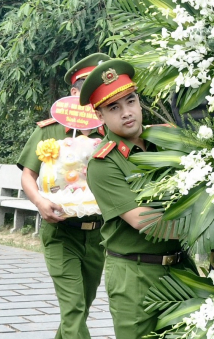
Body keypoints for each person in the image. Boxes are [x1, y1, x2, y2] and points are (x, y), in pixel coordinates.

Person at [80, 58, 191, 339]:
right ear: (100, 116)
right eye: (114, 108)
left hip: (181, 267)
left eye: (130, 101)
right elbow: (144, 221)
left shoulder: (167, 142)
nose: (126, 112)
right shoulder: (103, 164)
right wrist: (208, 228)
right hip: (135, 274)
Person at [16, 53, 109, 339]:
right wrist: (40, 201)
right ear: (73, 93)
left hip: (97, 235)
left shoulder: (108, 131)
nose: (93, 97)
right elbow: (27, 175)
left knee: (82, 306)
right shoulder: (50, 129)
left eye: (99, 92)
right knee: (73, 307)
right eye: (87, 89)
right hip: (60, 232)